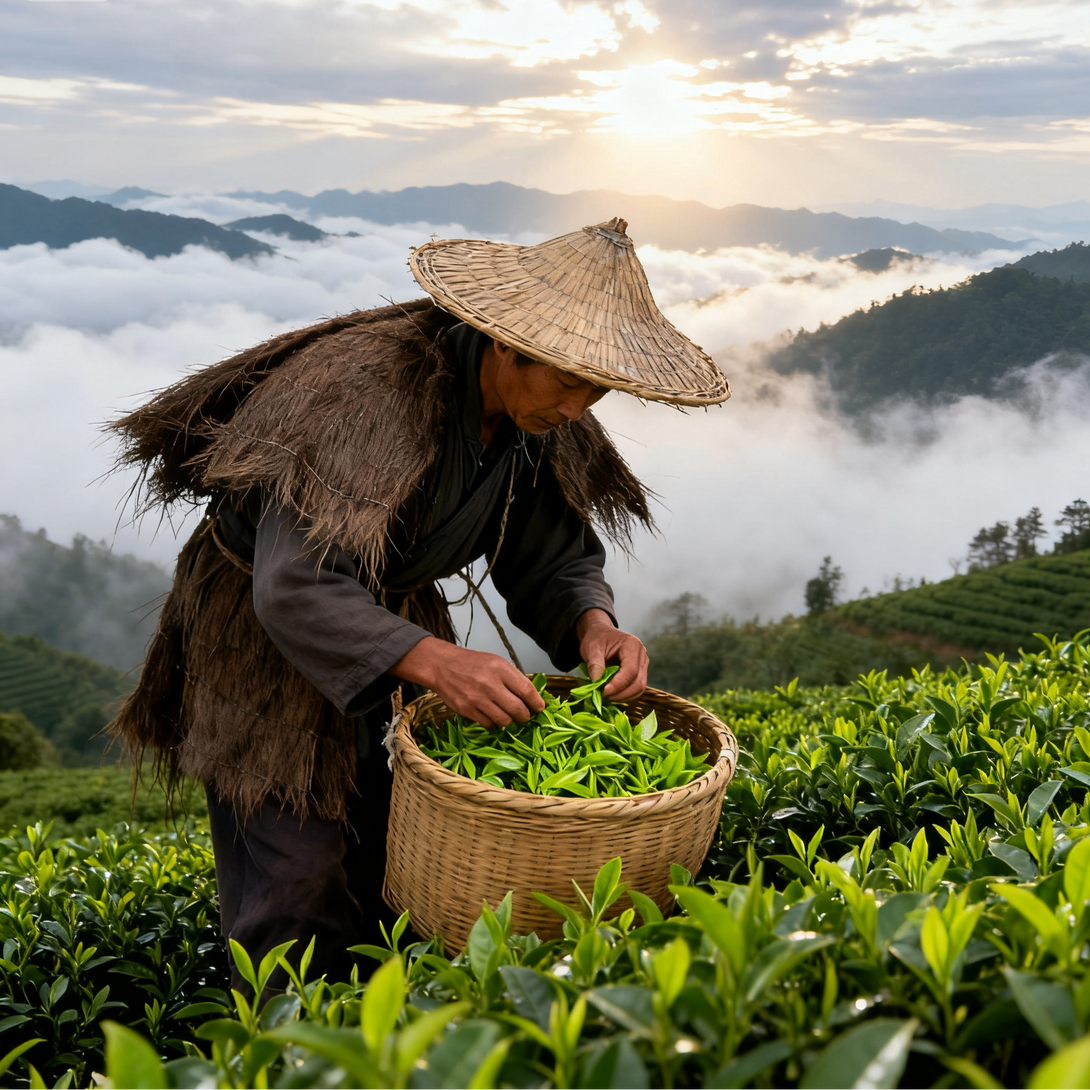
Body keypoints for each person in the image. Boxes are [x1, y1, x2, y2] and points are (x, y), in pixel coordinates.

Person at [109, 216, 729, 988]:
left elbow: (553, 555)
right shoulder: (364, 392)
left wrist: (592, 625)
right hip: (263, 634)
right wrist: (438, 661)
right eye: (569, 381)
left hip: (395, 624)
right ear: (505, 342)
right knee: (294, 876)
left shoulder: (540, 419)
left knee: (390, 848)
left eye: (597, 387)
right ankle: (278, 1051)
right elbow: (294, 584)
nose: (580, 406)